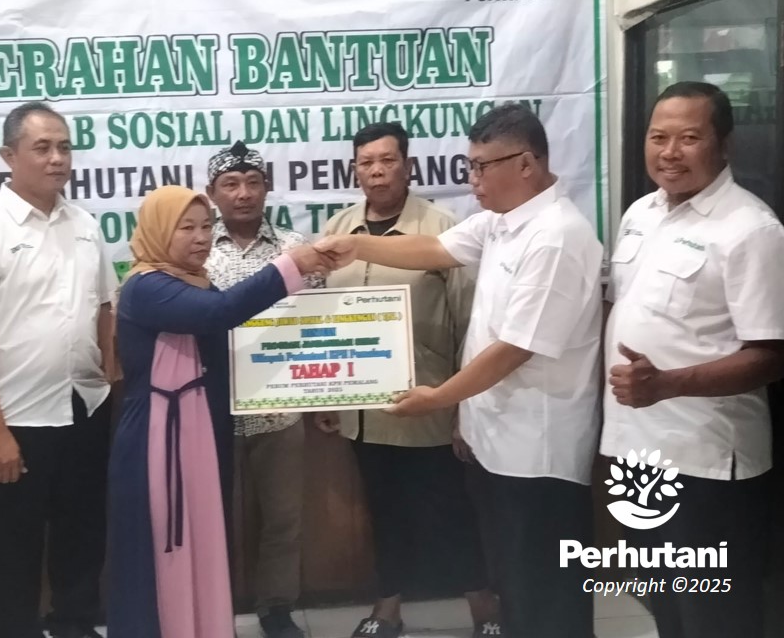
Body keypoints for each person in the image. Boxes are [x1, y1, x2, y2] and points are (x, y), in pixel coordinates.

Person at [315, 104, 602, 638]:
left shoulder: (557, 236)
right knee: (518, 582)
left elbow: (515, 348)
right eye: (470, 166)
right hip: (498, 440)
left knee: (546, 587)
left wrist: (439, 398)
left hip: (538, 449)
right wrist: (356, 244)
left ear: (526, 164)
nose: (472, 179)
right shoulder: (501, 222)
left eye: (481, 167)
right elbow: (435, 248)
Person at [107, 185, 330, 638]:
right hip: (159, 436)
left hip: (200, 429)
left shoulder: (195, 281)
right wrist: (293, 264)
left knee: (204, 537)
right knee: (163, 544)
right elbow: (222, 311)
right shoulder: (145, 287)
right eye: (186, 227)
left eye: (206, 226)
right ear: (157, 231)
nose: (201, 237)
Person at [603, 82, 784, 638]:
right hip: (636, 452)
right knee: (664, 605)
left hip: (706, 463)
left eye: (688, 138)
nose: (669, 152)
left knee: (716, 617)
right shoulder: (640, 213)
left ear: (724, 144)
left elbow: (770, 357)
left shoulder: (751, 229)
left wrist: (667, 384)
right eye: (658, 137)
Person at [312, 122, 498, 638]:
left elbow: (469, 321)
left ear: (407, 166)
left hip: (430, 404)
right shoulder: (337, 231)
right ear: (355, 170)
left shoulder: (441, 229)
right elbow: (325, 316)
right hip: (364, 411)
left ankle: (485, 610)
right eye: (366, 162)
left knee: (450, 512)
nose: (376, 171)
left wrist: (463, 406)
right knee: (383, 512)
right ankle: (387, 609)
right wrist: (326, 393)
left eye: (387, 160)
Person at [0, 103, 116, 638]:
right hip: (16, 418)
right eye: (42, 147)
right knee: (14, 549)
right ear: (8, 155)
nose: (57, 158)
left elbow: (104, 308)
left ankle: (74, 627)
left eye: (64, 147)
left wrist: (111, 381)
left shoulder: (85, 225)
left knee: (82, 537)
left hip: (84, 405)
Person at [204, 141, 321, 638]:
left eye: (253, 182)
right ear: (212, 193)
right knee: (213, 521)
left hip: (281, 407)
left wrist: (322, 398)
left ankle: (276, 608)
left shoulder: (296, 248)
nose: (243, 193)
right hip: (210, 410)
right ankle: (213, 609)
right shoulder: (196, 248)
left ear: (268, 188)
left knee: (282, 519)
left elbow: (317, 322)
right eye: (230, 184)